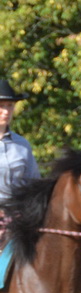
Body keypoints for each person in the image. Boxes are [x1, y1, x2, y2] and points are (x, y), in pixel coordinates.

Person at [0, 76, 39, 208]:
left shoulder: (22, 145)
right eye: (1, 106)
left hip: (17, 216)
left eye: (10, 106)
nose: (6, 111)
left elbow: (34, 184)